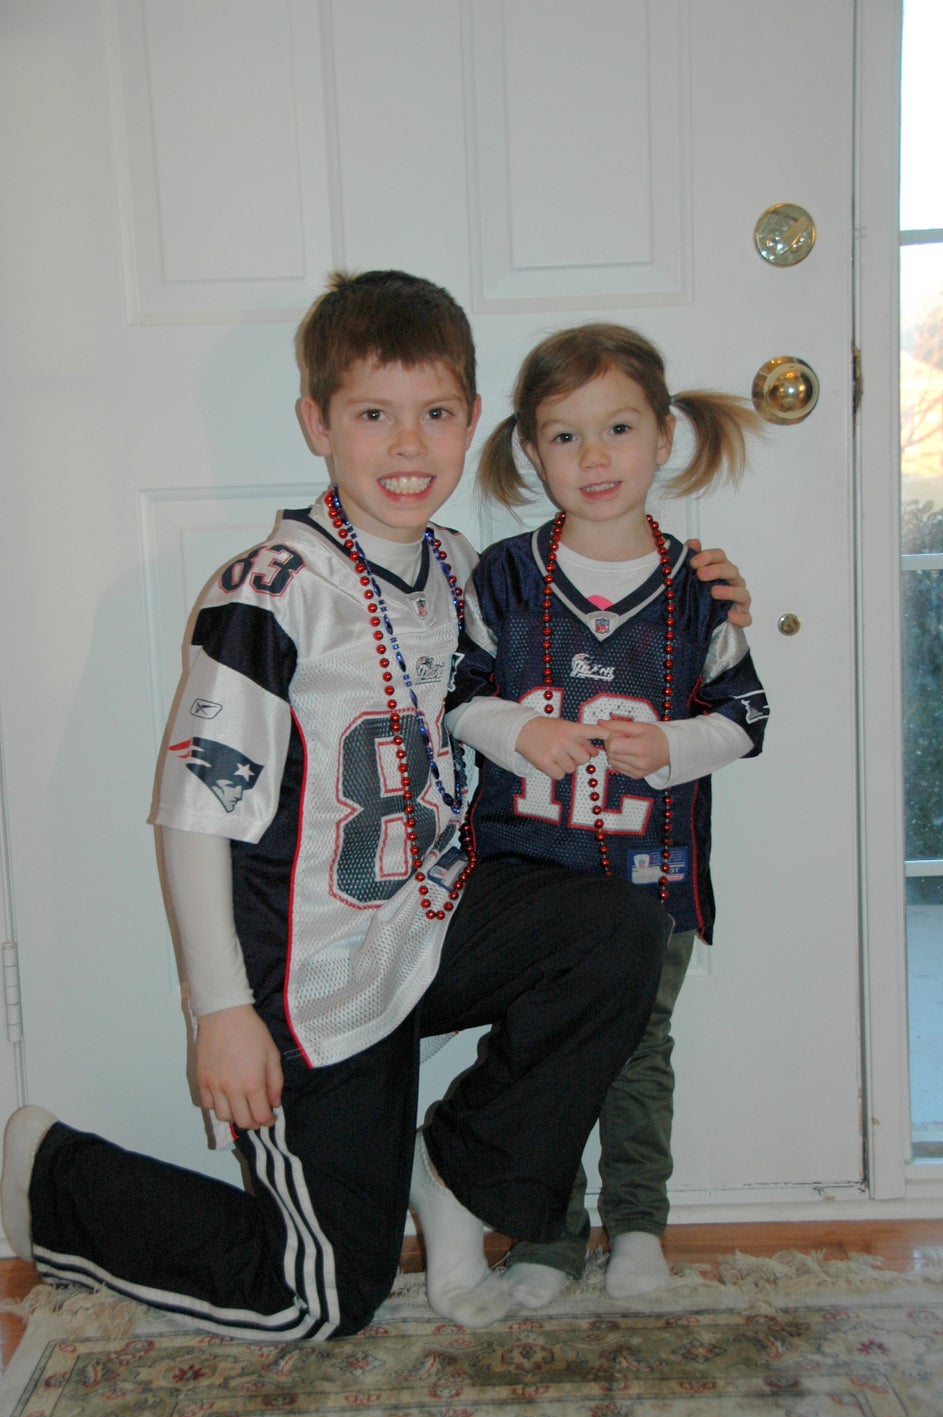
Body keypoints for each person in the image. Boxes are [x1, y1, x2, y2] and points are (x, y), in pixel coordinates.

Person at [0, 274, 752, 1342]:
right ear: (315, 422)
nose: (408, 443)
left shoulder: (461, 567)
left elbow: (604, 591)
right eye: (371, 413)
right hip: (311, 979)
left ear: (472, 423)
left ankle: (456, 1175)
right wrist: (220, 1007)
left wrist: (709, 593)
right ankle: (45, 1178)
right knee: (320, 1298)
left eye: (435, 412)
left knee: (614, 928)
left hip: (426, 925)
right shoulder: (271, 588)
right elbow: (191, 809)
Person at [447, 321, 770, 1309]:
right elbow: (458, 694)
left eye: (619, 428)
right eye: (565, 435)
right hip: (528, 877)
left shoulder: (697, 590)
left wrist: (676, 746)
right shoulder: (501, 576)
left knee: (637, 1052)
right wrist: (515, 731)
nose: (595, 458)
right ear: (528, 448)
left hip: (648, 873)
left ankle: (639, 1225)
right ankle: (546, 1236)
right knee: (535, 1057)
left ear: (664, 436)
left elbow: (747, 717)